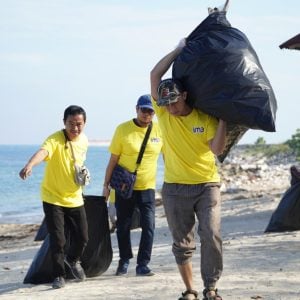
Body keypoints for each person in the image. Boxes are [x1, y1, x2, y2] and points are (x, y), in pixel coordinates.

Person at [150, 39, 227, 300]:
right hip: (174, 188)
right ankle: (191, 290)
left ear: (184, 95)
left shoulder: (204, 118)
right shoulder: (163, 113)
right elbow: (155, 74)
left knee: (212, 235)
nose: (171, 109)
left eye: (174, 102)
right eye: (166, 104)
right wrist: (178, 50)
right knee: (182, 245)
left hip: (207, 185)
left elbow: (216, 150)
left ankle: (211, 287)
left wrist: (224, 120)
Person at [19, 105, 89, 289]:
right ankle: (59, 275)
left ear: (85, 123)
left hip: (75, 197)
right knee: (58, 239)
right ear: (64, 123)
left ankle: (73, 260)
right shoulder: (55, 139)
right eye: (71, 124)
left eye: (79, 124)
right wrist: (30, 165)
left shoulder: (84, 141)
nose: (75, 128)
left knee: (83, 237)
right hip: (53, 198)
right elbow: (43, 152)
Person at [103, 94, 163, 277]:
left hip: (147, 187)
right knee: (123, 226)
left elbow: (168, 156)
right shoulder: (123, 129)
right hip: (124, 187)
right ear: (136, 109)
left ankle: (143, 264)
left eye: (151, 111)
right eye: (144, 110)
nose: (147, 114)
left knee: (149, 225)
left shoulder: (160, 130)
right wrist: (106, 185)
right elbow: (113, 159)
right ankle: (124, 260)